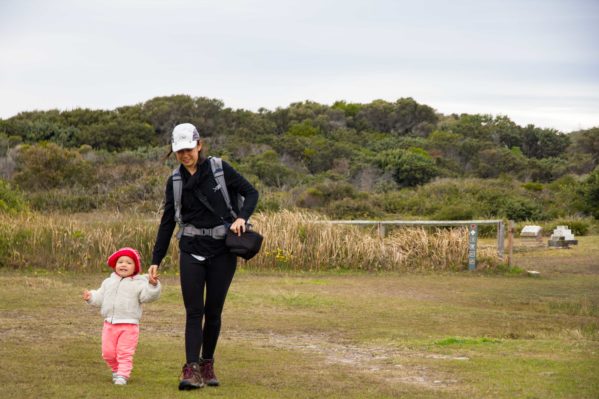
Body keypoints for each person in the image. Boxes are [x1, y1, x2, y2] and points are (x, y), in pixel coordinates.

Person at [148, 123, 258, 390]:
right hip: (191, 250)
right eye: (179, 151)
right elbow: (167, 223)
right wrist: (155, 260)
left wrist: (242, 218)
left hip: (222, 251)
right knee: (194, 311)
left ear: (199, 145)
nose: (185, 155)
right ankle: (191, 369)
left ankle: (207, 363)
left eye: (188, 149)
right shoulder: (174, 181)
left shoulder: (220, 169)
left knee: (214, 311)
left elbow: (251, 192)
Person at [83, 247, 161, 385]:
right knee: (108, 353)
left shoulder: (139, 283)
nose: (124, 264)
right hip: (109, 325)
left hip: (129, 326)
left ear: (135, 267)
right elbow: (100, 297)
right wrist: (91, 297)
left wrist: (153, 285)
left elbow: (147, 296)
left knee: (124, 352)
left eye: (129, 262)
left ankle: (122, 375)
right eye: (120, 262)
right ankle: (116, 369)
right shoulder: (108, 282)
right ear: (115, 265)